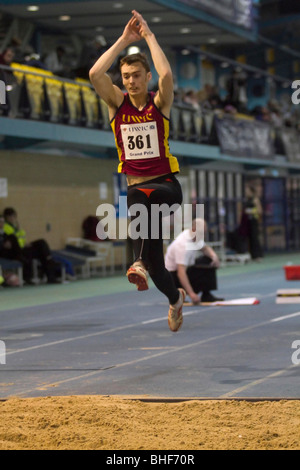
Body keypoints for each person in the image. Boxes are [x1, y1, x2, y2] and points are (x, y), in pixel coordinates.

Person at [89, 10, 185, 332]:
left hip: (166, 187)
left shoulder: (160, 103)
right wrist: (123, 41)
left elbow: (168, 75)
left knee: (141, 195)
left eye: (136, 75)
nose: (130, 81)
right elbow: (94, 73)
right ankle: (174, 299)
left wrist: (148, 37)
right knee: (159, 269)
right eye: (126, 76)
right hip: (139, 194)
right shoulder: (117, 104)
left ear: (147, 77)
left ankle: (138, 261)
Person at [165, 218, 224, 305]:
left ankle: (206, 295)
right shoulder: (183, 244)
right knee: (186, 271)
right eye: (201, 233)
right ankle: (179, 294)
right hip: (173, 277)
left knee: (208, 260)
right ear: (193, 229)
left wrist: (214, 256)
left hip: (186, 269)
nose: (202, 235)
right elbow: (181, 273)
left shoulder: (195, 236)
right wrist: (192, 294)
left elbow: (205, 248)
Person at [3, 207, 62, 283]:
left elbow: (21, 238)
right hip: (18, 251)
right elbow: (13, 241)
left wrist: (26, 243)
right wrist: (22, 244)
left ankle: (50, 266)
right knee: (34, 253)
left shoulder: (16, 227)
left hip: (24, 247)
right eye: (10, 216)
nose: (12, 218)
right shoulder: (6, 227)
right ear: (6, 217)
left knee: (41, 243)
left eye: (14, 216)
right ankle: (30, 277)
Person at [239, 186, 263, 261]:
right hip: (247, 222)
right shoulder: (246, 200)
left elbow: (260, 211)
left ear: (251, 192)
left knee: (255, 238)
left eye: (248, 191)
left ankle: (258, 255)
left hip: (254, 221)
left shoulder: (255, 200)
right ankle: (252, 255)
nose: (246, 193)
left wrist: (251, 212)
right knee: (249, 239)